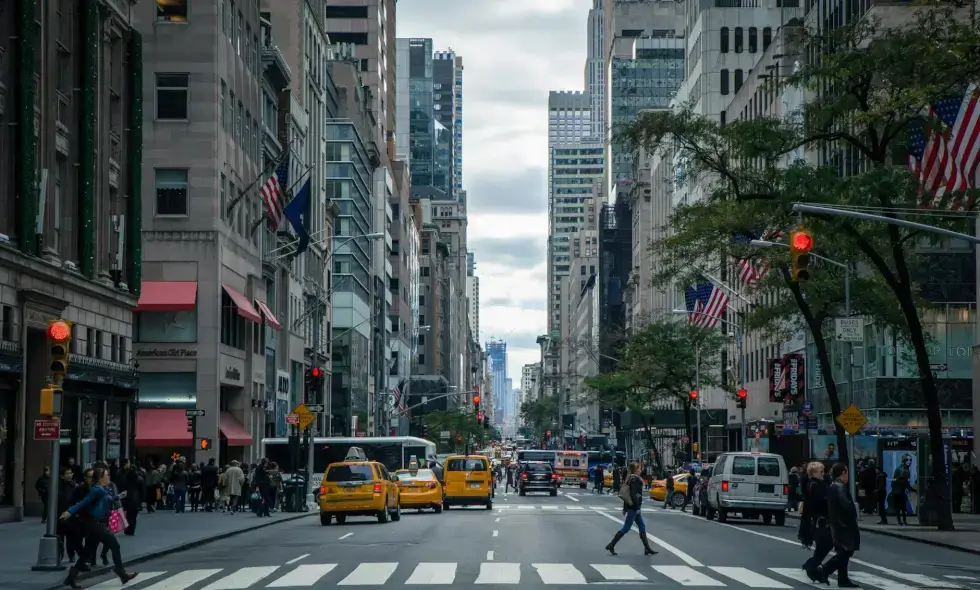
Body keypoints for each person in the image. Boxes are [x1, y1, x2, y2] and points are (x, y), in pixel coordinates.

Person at [60, 467, 138, 589]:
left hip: (97, 523)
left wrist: (118, 497)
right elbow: (84, 502)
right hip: (96, 523)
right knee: (115, 545)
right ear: (101, 478)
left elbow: (108, 499)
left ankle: (71, 577)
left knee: (88, 552)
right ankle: (122, 573)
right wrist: (70, 511)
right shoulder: (97, 490)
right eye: (107, 475)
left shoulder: (103, 489)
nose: (109, 478)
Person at [815, 463, 859, 587]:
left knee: (843, 551)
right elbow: (846, 507)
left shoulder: (833, 486)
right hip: (843, 525)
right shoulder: (840, 487)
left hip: (837, 523)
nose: (848, 476)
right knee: (846, 551)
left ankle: (842, 578)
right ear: (843, 473)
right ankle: (824, 569)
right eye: (847, 473)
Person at [604, 462, 656, 556]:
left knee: (642, 526)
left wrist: (625, 507)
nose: (640, 470)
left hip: (632, 507)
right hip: (634, 508)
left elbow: (627, 495)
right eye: (639, 468)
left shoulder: (630, 478)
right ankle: (611, 545)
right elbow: (633, 495)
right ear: (635, 470)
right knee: (626, 528)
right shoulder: (635, 479)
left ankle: (647, 548)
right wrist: (637, 507)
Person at [800, 462, 832, 583]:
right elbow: (820, 502)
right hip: (819, 521)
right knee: (826, 544)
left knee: (822, 547)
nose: (823, 474)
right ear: (813, 473)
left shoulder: (813, 484)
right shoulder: (814, 485)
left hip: (817, 520)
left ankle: (814, 571)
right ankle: (811, 566)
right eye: (821, 472)